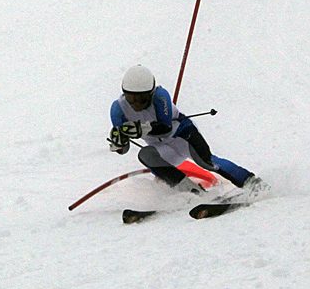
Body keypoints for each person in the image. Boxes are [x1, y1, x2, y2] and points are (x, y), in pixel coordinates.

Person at [108, 64, 263, 194]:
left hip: (183, 136)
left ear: (151, 93)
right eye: (131, 98)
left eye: (142, 99)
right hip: (161, 149)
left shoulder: (160, 96)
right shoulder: (118, 109)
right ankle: (193, 193)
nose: (136, 104)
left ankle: (252, 182)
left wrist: (142, 129)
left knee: (207, 162)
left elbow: (166, 127)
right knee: (145, 155)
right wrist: (119, 145)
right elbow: (124, 147)